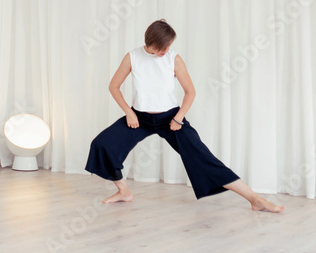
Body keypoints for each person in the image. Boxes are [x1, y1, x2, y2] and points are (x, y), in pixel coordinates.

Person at [85, 19, 284, 212]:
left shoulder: (174, 59)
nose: (164, 52)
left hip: (171, 118)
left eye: (167, 47)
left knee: (203, 157)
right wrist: (129, 112)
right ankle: (124, 191)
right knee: (103, 145)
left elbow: (190, 92)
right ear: (150, 43)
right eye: (161, 48)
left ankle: (255, 199)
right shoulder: (133, 57)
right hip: (139, 118)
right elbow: (114, 86)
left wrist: (178, 118)